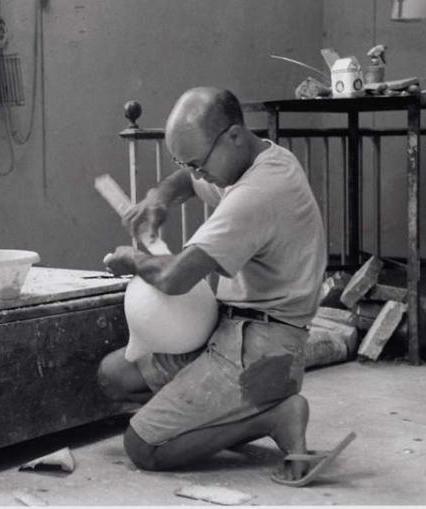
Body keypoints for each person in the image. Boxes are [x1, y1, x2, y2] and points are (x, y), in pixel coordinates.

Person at [97, 86, 352, 486]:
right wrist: (159, 197)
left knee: (142, 447)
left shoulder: (257, 193)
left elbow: (174, 277)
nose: (198, 174)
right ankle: (220, 411)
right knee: (113, 375)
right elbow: (184, 180)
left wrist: (133, 260)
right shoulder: (256, 158)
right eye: (189, 163)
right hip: (230, 330)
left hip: (262, 349)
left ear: (233, 135)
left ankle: (273, 413)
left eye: (199, 163)